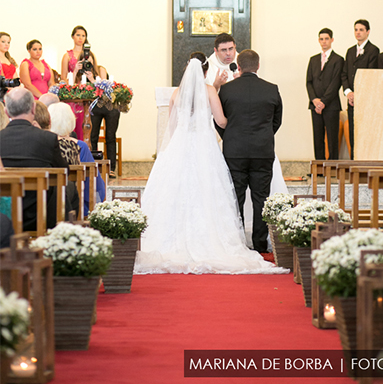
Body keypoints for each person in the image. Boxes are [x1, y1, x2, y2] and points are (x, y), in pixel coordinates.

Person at [134, 54, 286, 274]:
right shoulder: (212, 91)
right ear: (206, 71)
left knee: (187, 192)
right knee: (225, 194)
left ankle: (177, 239)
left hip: (183, 146)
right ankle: (248, 242)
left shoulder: (177, 93)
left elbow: (173, 125)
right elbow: (222, 120)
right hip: (212, 147)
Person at [215, 49, 283, 253]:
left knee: (236, 197)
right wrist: (263, 136)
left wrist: (231, 137)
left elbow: (219, 121)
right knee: (261, 197)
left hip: (235, 151)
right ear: (258, 66)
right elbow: (276, 121)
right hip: (262, 150)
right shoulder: (272, 89)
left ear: (240, 66)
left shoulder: (227, 90)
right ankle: (261, 244)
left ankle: (237, 244)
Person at [0, 87, 65, 231]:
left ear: (6, 111)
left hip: (5, 217)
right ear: (33, 109)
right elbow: (64, 172)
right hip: (40, 216)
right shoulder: (47, 138)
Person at [48, 102, 105, 217]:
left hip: (46, 206)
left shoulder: (43, 144)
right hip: (74, 207)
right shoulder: (80, 146)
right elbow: (94, 184)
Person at [341, 19, 380, 159]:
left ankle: (364, 167)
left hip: (365, 101)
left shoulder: (373, 50)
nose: (358, 32)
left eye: (361, 30)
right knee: (353, 135)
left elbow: (370, 75)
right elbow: (344, 74)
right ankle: (353, 165)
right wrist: (348, 92)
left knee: (364, 135)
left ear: (368, 32)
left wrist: (359, 95)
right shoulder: (350, 51)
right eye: (356, 29)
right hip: (351, 100)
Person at [60, 26, 104, 141]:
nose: (80, 38)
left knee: (85, 126)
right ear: (73, 36)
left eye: (83, 35)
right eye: (78, 35)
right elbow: (63, 77)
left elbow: (95, 75)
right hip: (72, 93)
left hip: (86, 93)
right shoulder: (67, 56)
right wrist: (74, 72)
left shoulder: (90, 55)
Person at [306, 28, 344, 161]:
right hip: (315, 105)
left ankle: (333, 167)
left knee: (332, 138)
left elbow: (335, 83)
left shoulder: (338, 60)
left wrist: (323, 102)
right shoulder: (313, 60)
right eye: (321, 39)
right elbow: (309, 82)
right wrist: (315, 100)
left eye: (326, 39)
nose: (324, 42)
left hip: (331, 105)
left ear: (332, 40)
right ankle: (319, 167)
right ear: (318, 40)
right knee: (318, 137)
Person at [89, 64, 121, 177]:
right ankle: (93, 165)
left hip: (110, 105)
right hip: (95, 106)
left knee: (110, 136)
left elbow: (103, 84)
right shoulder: (83, 74)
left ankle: (111, 168)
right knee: (93, 136)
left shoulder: (100, 68)